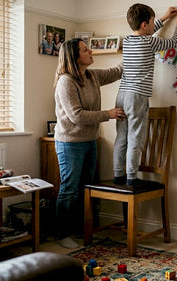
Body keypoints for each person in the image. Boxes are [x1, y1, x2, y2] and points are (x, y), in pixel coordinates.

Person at [53, 38, 126, 248]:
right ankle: (62, 234)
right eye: (85, 50)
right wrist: (108, 114)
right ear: (74, 57)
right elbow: (76, 116)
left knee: (85, 188)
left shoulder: (92, 76)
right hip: (70, 143)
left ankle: (79, 230)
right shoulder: (66, 81)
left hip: (90, 141)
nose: (90, 51)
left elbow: (117, 71)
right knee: (69, 189)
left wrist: (135, 47)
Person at [112, 4, 177, 186]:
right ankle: (131, 177)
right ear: (145, 24)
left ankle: (117, 174)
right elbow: (173, 43)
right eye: (153, 22)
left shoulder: (128, 41)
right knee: (135, 137)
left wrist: (164, 17)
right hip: (137, 96)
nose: (155, 25)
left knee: (121, 137)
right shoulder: (150, 42)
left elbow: (149, 30)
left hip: (121, 95)